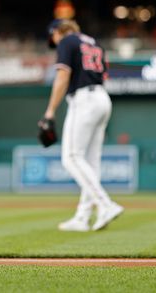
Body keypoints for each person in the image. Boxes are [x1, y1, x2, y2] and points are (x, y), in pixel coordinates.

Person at [41, 18, 124, 232]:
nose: (55, 42)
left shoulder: (67, 40)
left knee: (71, 157)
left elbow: (63, 75)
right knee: (91, 161)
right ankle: (83, 216)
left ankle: (105, 205)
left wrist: (50, 111)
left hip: (84, 99)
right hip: (102, 98)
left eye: (54, 37)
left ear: (59, 31)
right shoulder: (93, 42)